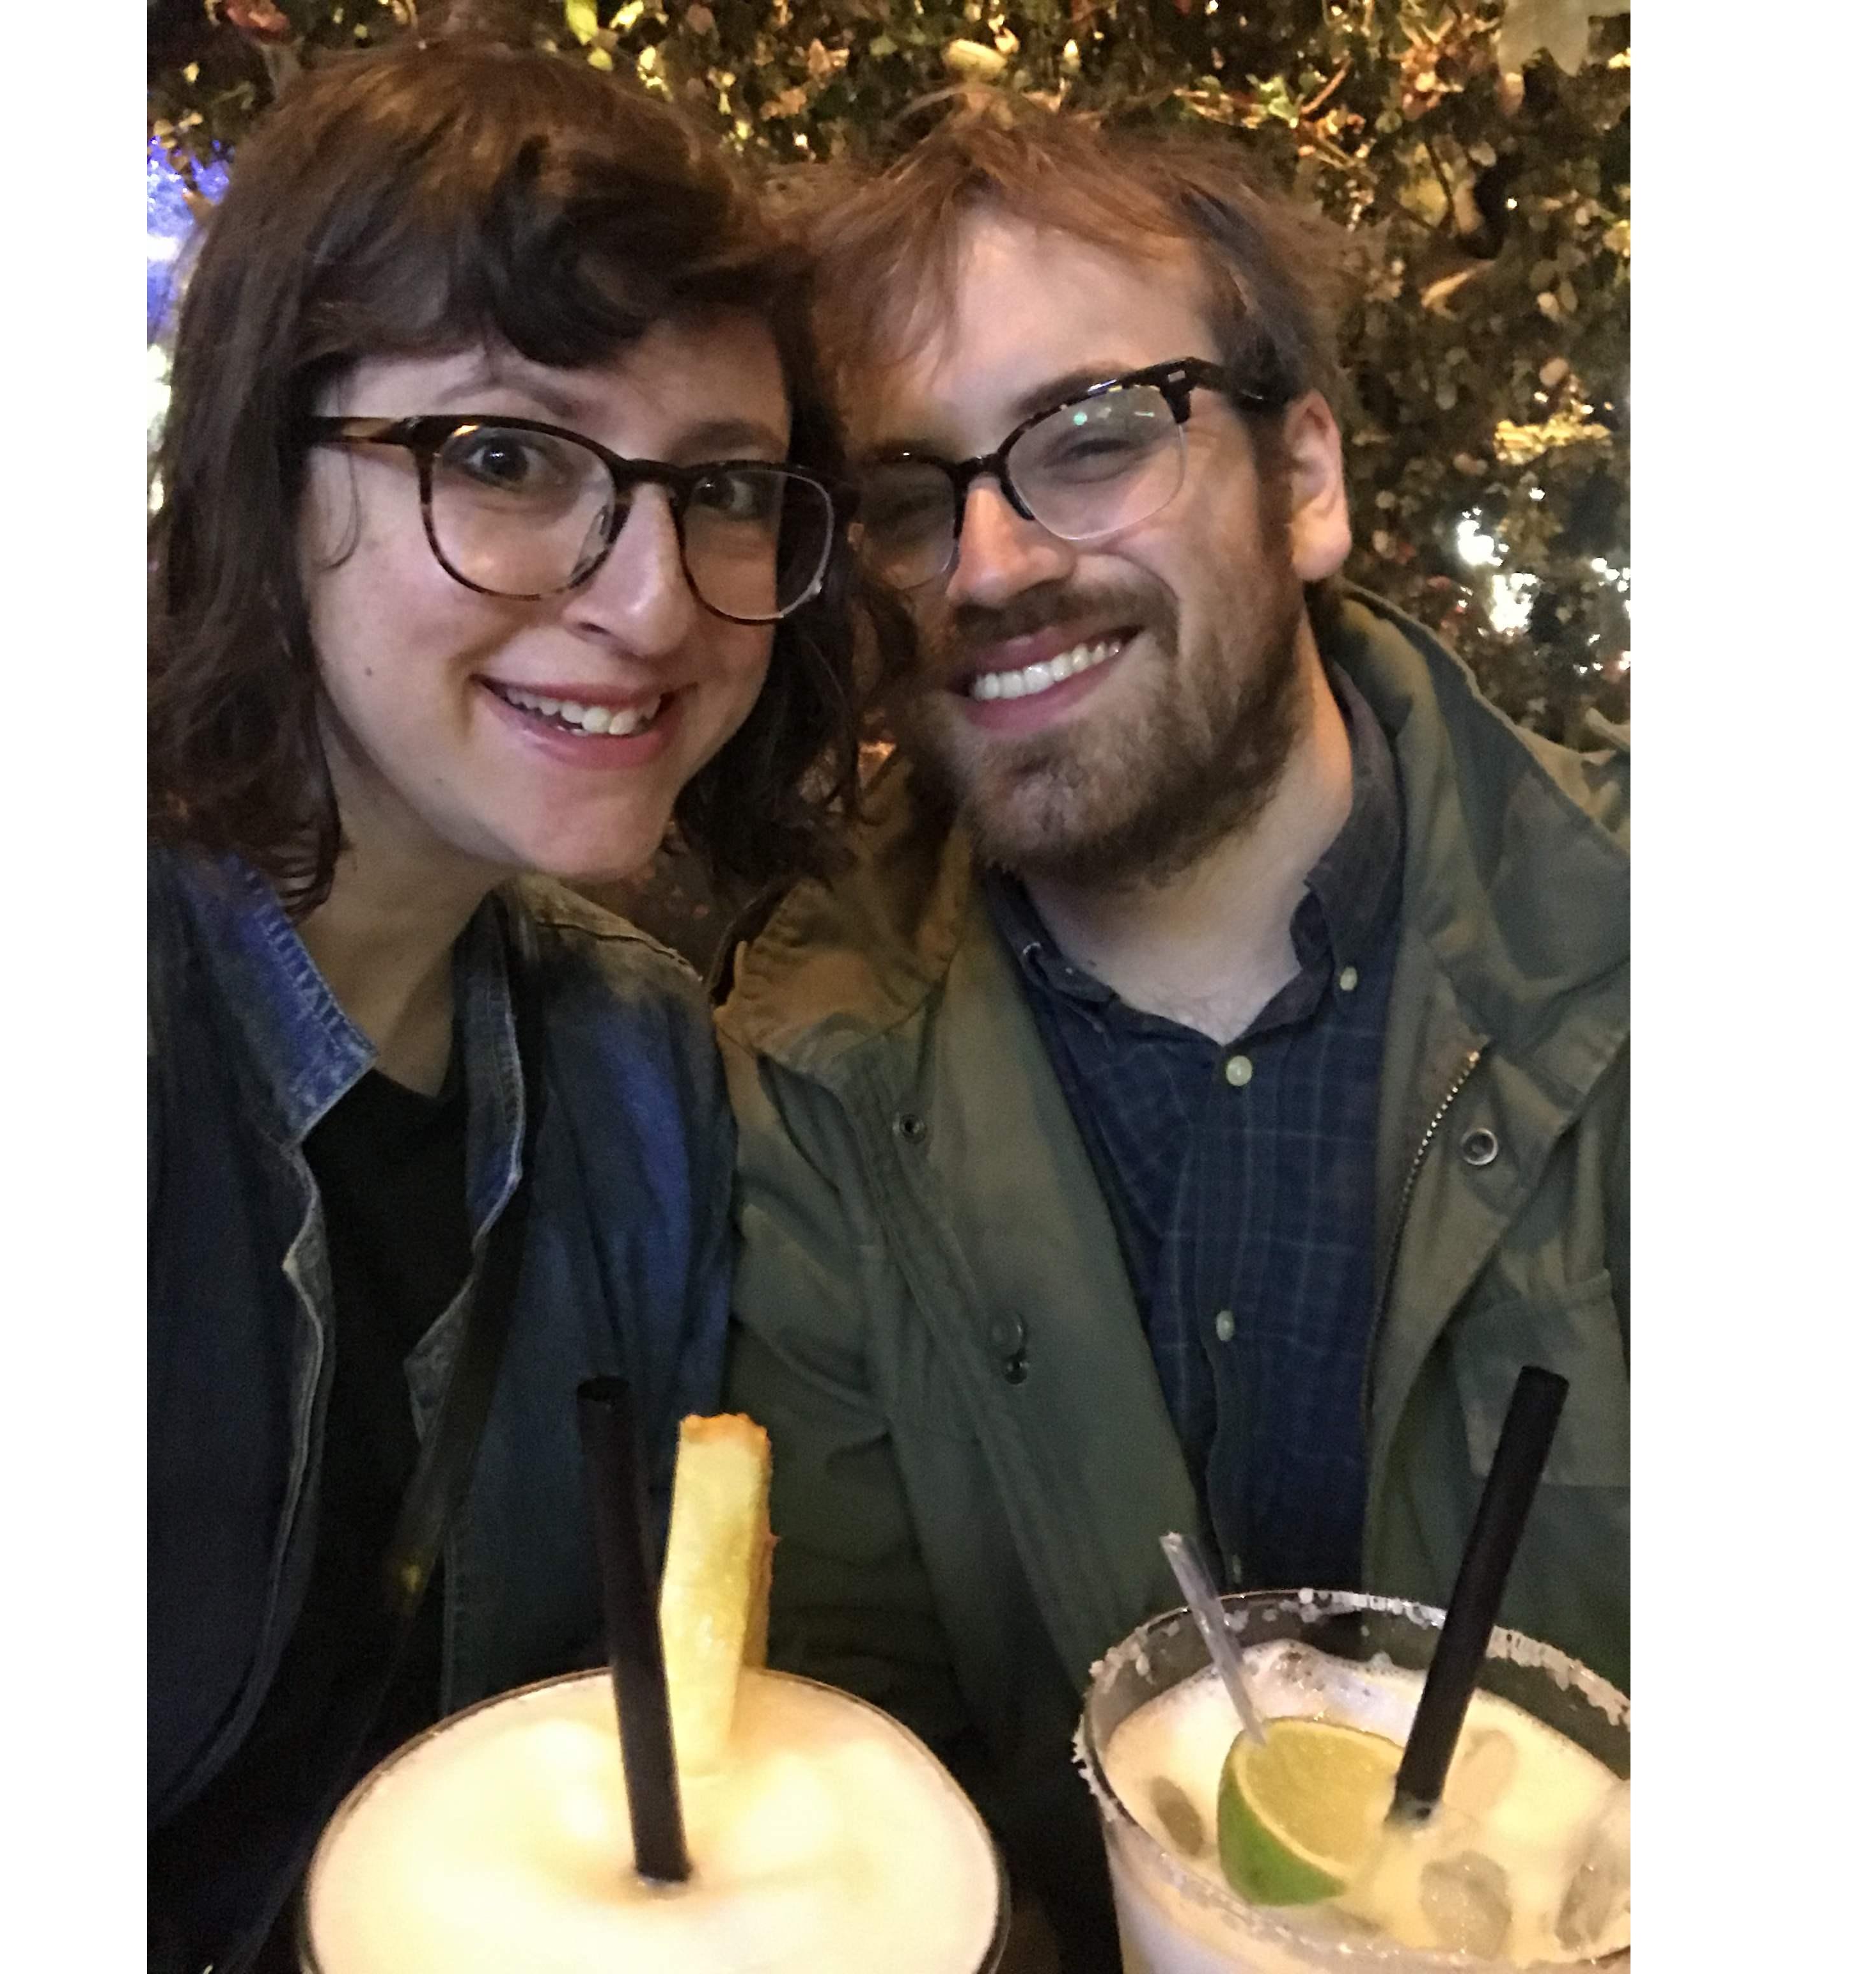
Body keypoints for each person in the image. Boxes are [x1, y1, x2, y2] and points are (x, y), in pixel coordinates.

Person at [718, 105, 1628, 1962]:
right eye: (909, 499)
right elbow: (864, 1754)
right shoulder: (809, 1073)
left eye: (1092, 436)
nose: (987, 566)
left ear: (1308, 480)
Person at [146, 20, 864, 1971]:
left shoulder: (638, 1069)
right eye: (506, 457)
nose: (653, 602)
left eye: (726, 487)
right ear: (262, 467)